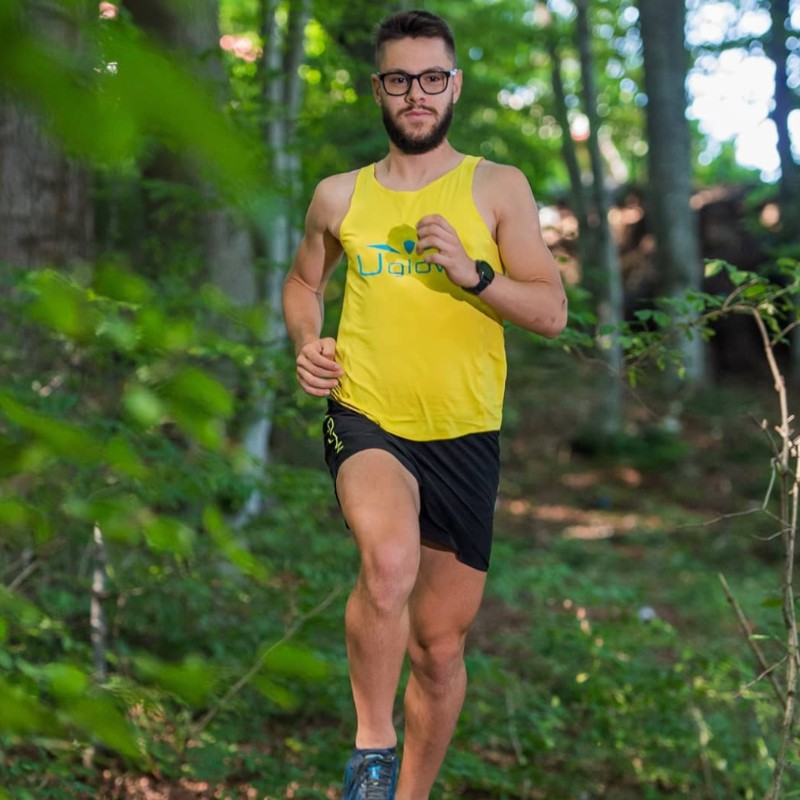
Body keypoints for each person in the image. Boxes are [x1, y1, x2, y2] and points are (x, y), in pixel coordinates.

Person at [282, 9, 567, 800]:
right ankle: (372, 752)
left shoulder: (497, 186)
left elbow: (551, 311)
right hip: (367, 415)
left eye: (432, 77)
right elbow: (303, 282)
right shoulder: (339, 195)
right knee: (389, 562)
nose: (417, 93)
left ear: (455, 86)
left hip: (465, 434)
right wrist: (307, 340)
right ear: (378, 88)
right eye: (401, 78)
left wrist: (475, 274)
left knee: (438, 649)